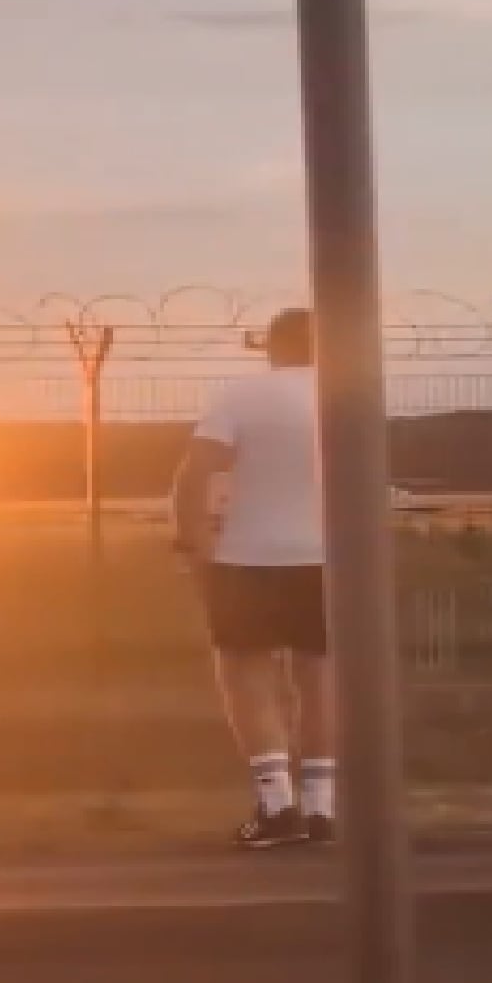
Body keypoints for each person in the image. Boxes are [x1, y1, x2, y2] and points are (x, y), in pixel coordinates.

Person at [172, 308, 334, 849]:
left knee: (246, 674)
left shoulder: (242, 396)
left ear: (272, 346)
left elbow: (196, 471)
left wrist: (193, 540)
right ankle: (322, 807)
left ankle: (276, 804)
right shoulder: (350, 398)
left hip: (249, 556)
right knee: (322, 677)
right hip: (328, 557)